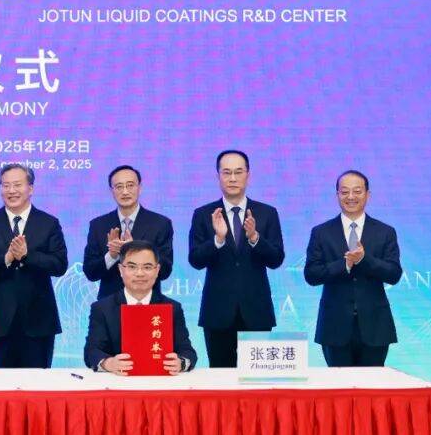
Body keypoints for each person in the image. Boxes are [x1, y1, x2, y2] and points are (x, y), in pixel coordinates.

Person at [188, 150, 285, 367]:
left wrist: (255, 238)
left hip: (257, 312)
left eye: (238, 172)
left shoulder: (267, 213)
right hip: (217, 313)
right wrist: (218, 239)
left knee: (258, 379)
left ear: (248, 175)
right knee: (221, 379)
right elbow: (195, 260)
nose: (232, 178)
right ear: (218, 176)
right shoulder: (203, 214)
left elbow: (277, 259)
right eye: (227, 172)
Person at [0, 164, 67, 368]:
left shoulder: (49, 223)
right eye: (6, 185)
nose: (11, 191)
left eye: (17, 185)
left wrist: (27, 256)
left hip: (39, 322)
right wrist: (6, 258)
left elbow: (59, 265)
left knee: (37, 384)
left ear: (31, 188)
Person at [304, 170, 402, 366]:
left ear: (367, 194)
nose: (350, 197)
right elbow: (311, 275)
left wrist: (365, 259)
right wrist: (345, 265)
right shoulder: (321, 232)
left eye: (357, 191)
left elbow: (394, 274)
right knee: (338, 384)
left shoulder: (385, 232)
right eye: (344, 192)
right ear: (337, 195)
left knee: (372, 385)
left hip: (375, 326)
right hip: (334, 326)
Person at [84, 240, 197, 374]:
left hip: (160, 381)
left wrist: (181, 363)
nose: (139, 273)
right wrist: (109, 363)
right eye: (132, 267)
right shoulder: (102, 308)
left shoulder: (172, 307)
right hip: (117, 380)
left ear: (157, 270)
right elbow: (91, 351)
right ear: (121, 270)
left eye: (147, 267)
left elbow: (188, 352)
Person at [83, 165, 174, 300]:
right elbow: (90, 272)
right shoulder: (98, 225)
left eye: (130, 185)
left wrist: (136, 252)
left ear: (139, 188)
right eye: (119, 187)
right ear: (112, 191)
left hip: (147, 304)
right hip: (109, 305)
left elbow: (165, 271)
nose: (125, 191)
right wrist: (112, 256)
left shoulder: (160, 224)